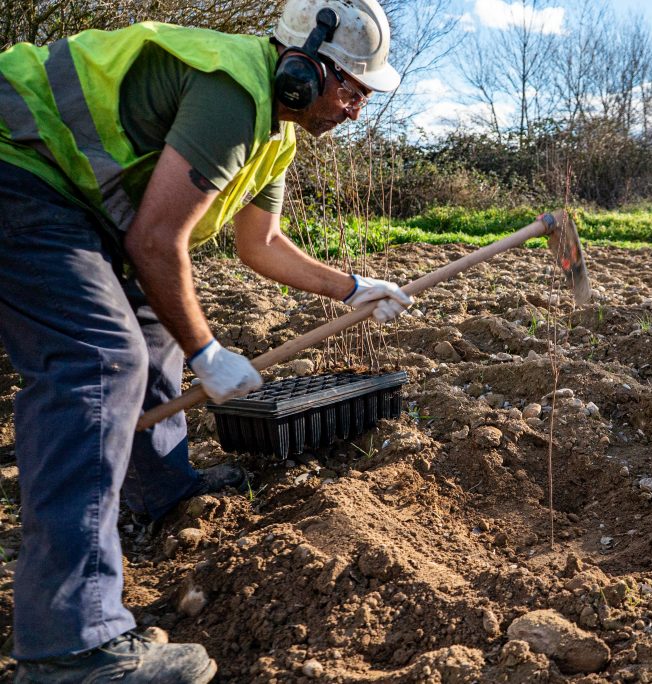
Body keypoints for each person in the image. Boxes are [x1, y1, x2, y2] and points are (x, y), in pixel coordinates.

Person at [0, 0, 411, 680]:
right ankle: (70, 647)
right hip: (19, 168)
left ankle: (158, 490)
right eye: (353, 88)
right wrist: (208, 353)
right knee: (100, 361)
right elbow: (156, 240)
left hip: (69, 198)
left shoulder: (274, 132)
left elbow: (263, 244)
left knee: (155, 320)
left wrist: (353, 288)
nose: (357, 107)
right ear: (304, 67)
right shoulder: (231, 92)